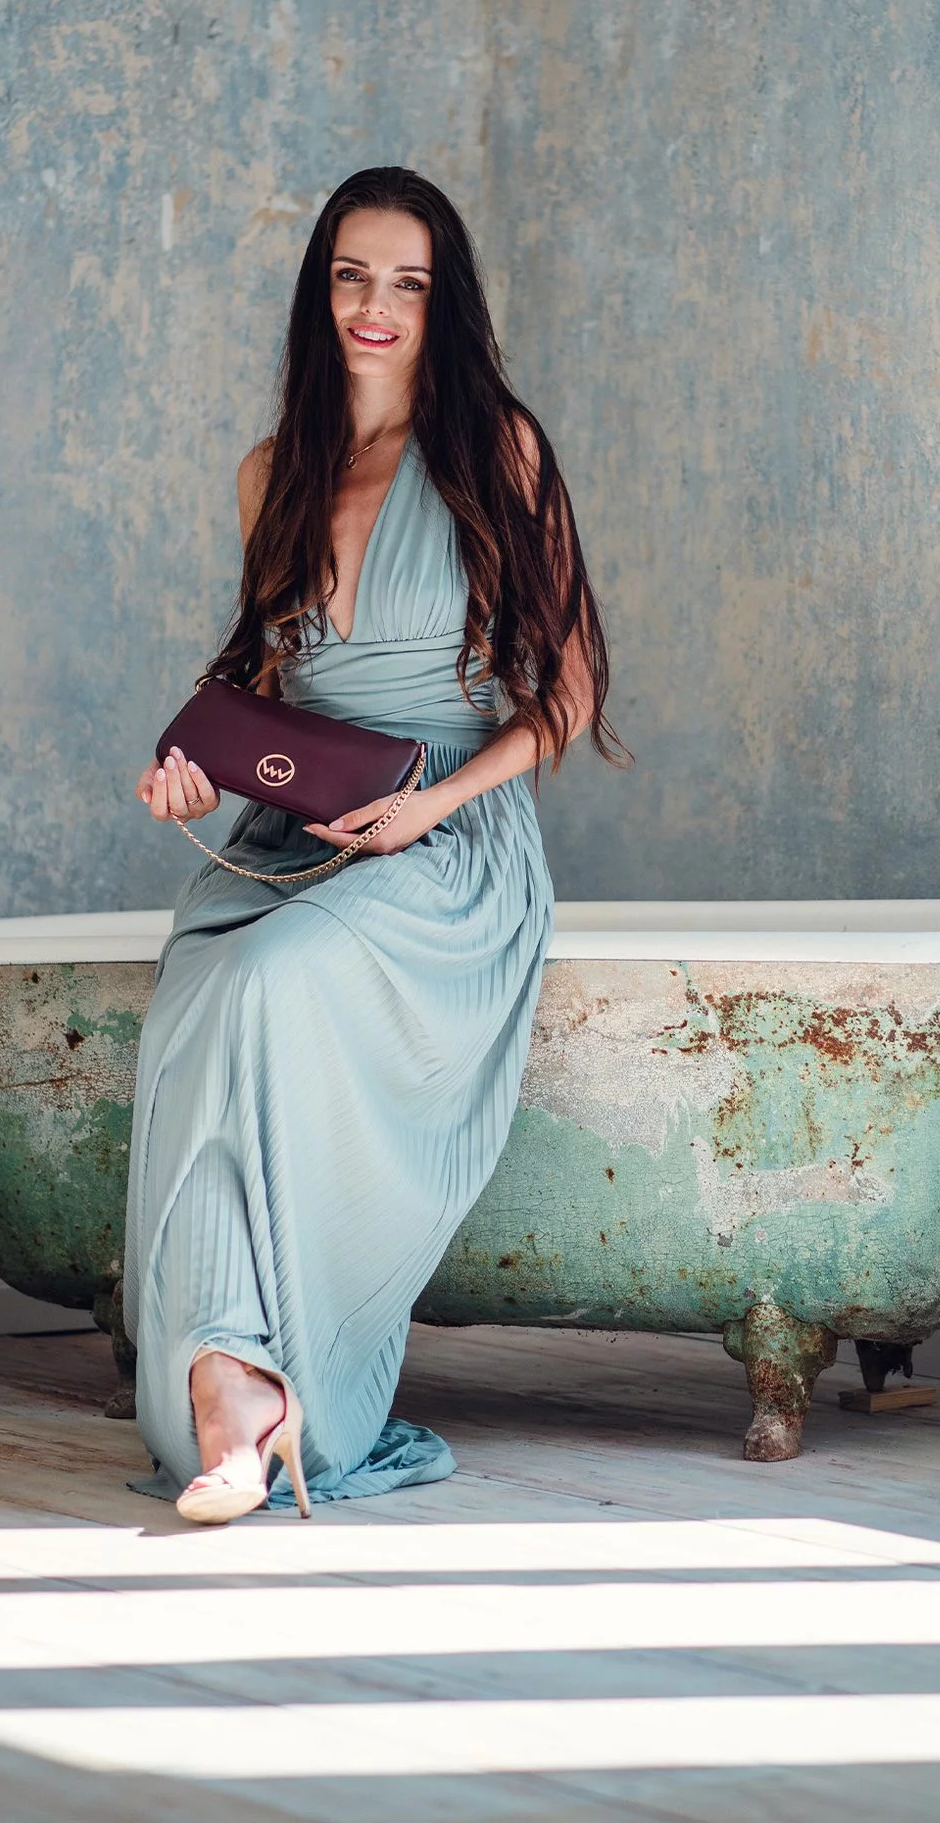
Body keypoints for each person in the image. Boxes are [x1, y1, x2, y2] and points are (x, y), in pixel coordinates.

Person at [125, 166, 623, 1521]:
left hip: (448, 842)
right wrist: (194, 774)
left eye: (407, 282)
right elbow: (269, 695)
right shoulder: (270, 475)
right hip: (298, 834)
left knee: (267, 983)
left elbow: (570, 694)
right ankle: (230, 1387)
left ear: (441, 301)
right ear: (321, 290)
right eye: (353, 276)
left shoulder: (495, 450)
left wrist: (429, 809)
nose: (376, 306)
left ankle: (269, 1381)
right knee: (200, 999)